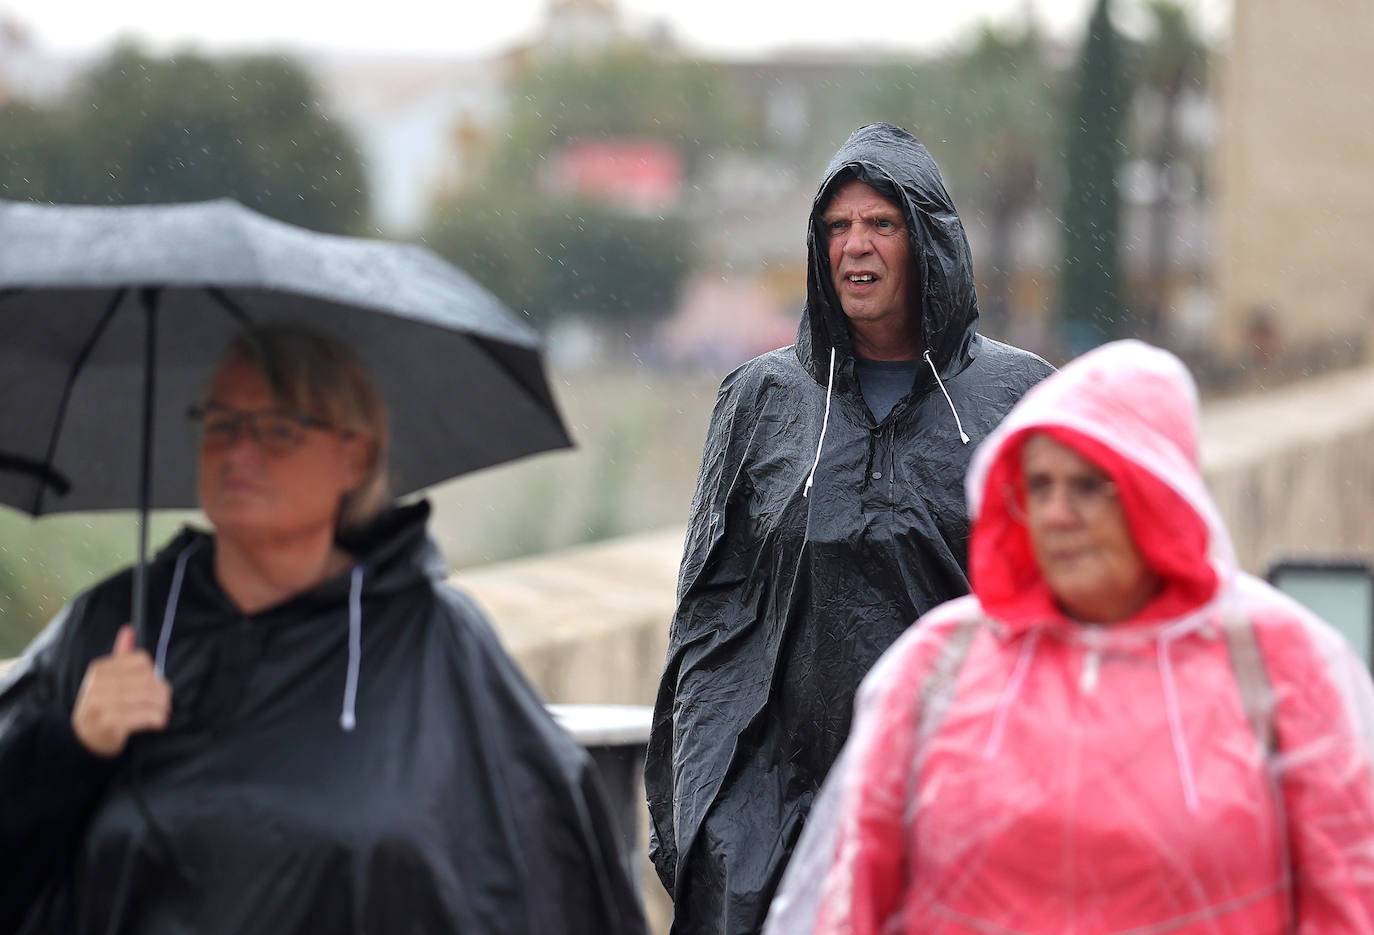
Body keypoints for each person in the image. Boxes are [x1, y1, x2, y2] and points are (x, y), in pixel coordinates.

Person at [0, 323, 647, 935]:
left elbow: (541, 872)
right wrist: (68, 747)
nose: (240, 452)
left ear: (354, 454)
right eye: (222, 424)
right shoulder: (118, 625)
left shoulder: (431, 641)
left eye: (277, 429)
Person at [765, 339, 1374, 934]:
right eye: (1039, 486)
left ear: (1158, 493)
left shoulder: (1278, 660)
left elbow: (1348, 894)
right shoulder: (939, 663)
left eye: (1089, 486)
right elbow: (850, 898)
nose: (1057, 515)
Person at [645, 122, 1054, 934]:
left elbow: (1061, 612)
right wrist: (710, 818)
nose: (854, 247)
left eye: (881, 224)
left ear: (926, 241)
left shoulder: (1019, 398)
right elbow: (707, 619)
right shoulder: (762, 401)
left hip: (963, 803)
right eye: (837, 227)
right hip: (777, 815)